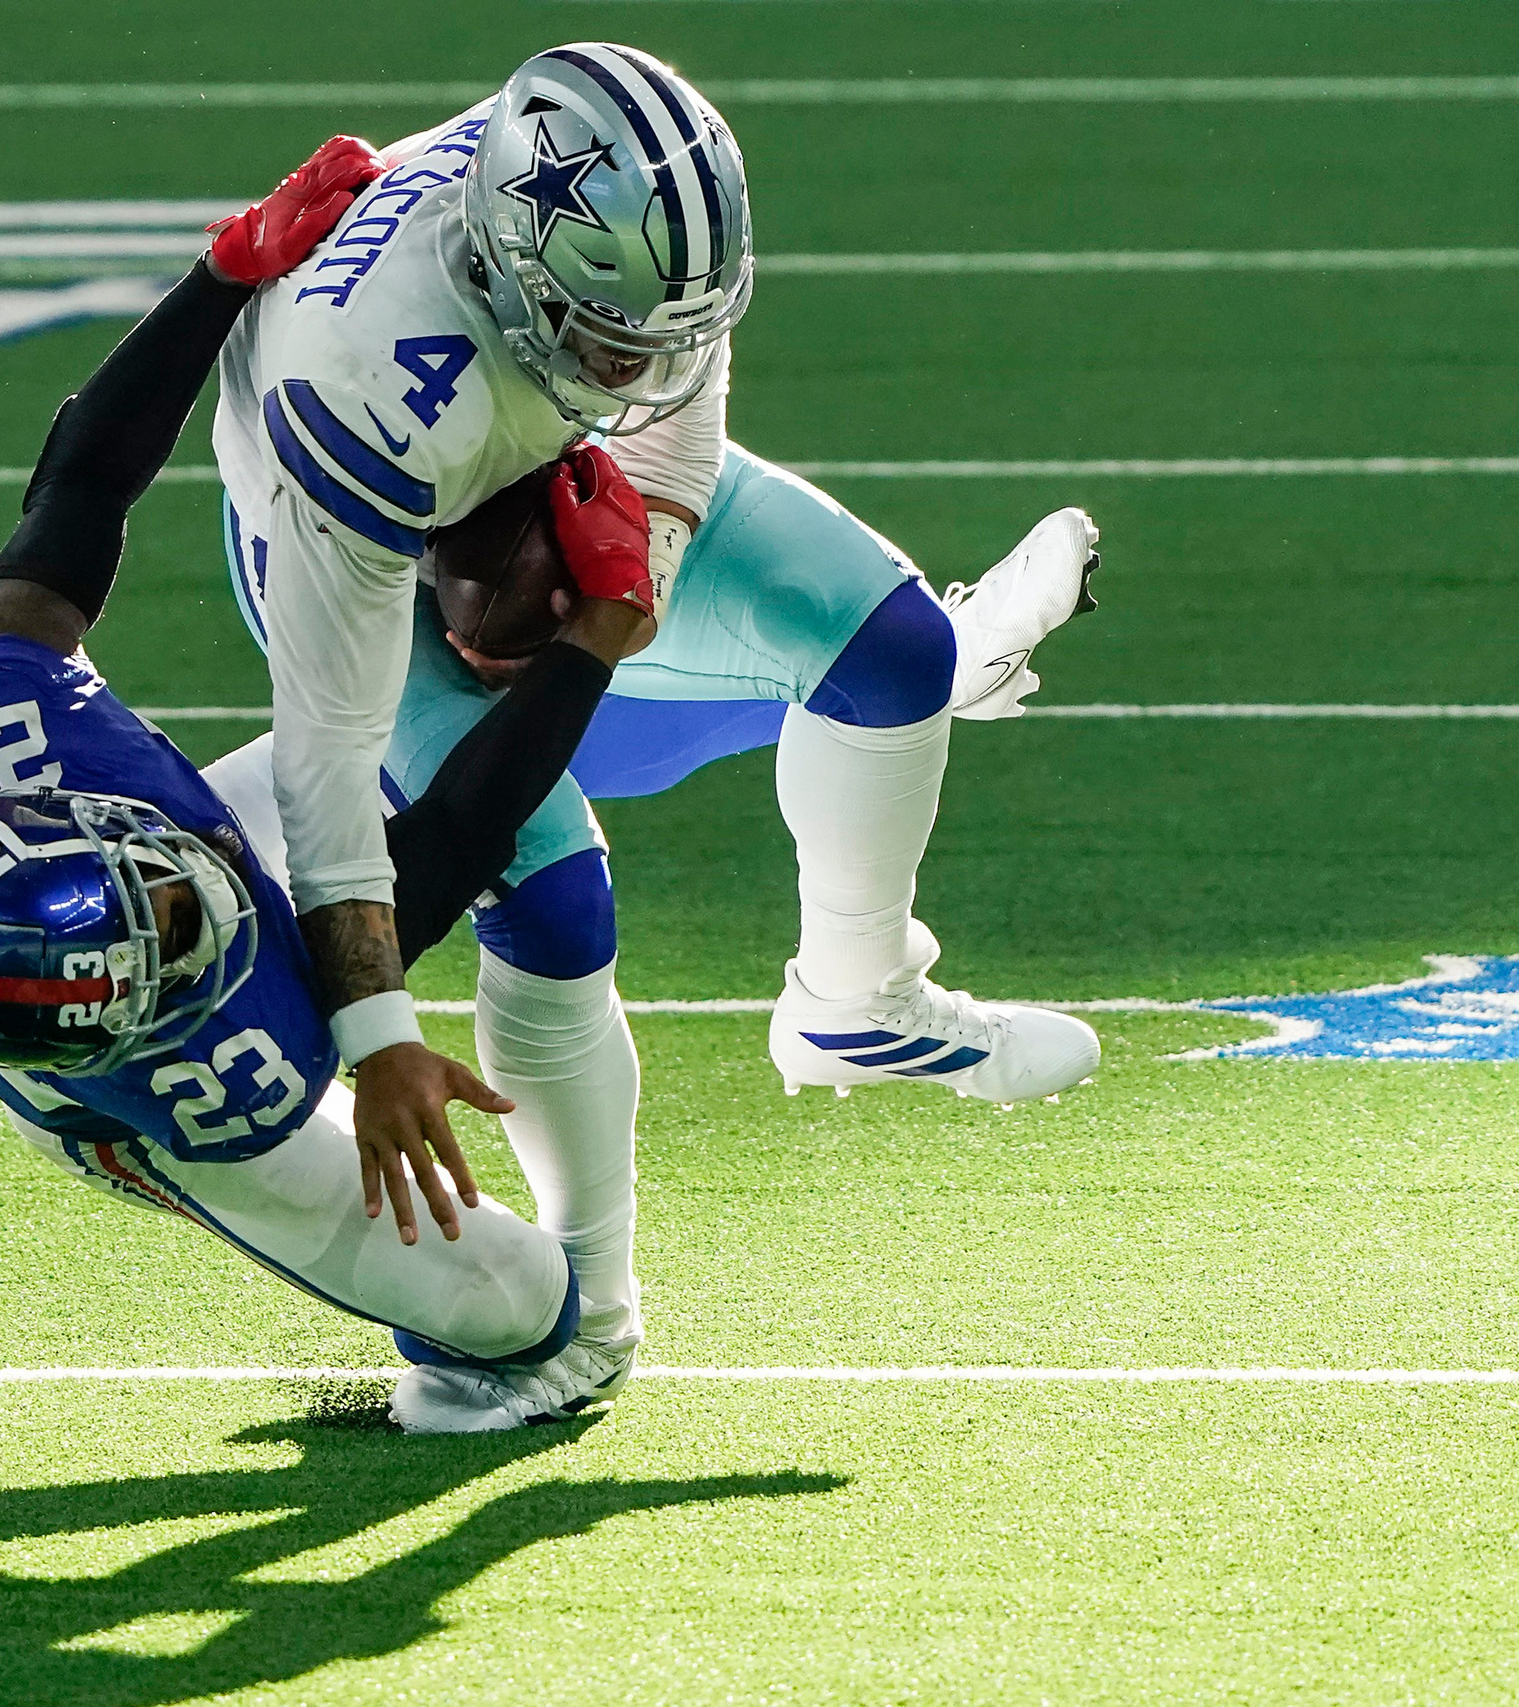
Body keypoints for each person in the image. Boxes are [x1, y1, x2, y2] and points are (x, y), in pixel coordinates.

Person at [208, 46, 1105, 1377]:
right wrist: (380, 1031)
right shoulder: (360, 394)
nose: (653, 357)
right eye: (616, 336)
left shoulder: (634, 233)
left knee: (894, 653)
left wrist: (641, 573)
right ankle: (575, 1321)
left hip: (542, 452)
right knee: (554, 892)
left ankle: (859, 997)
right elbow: (337, 773)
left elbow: (674, 394)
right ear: (512, 273)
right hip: (368, 561)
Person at [0, 138, 661, 1432]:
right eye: (175, 933)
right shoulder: (224, 1053)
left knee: (486, 844)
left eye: (157, 889)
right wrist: (594, 638)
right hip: (165, 1115)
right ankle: (464, 1356)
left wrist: (226, 270)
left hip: (56, 980)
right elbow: (439, 849)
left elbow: (83, 483)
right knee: (531, 1317)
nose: (197, 895)